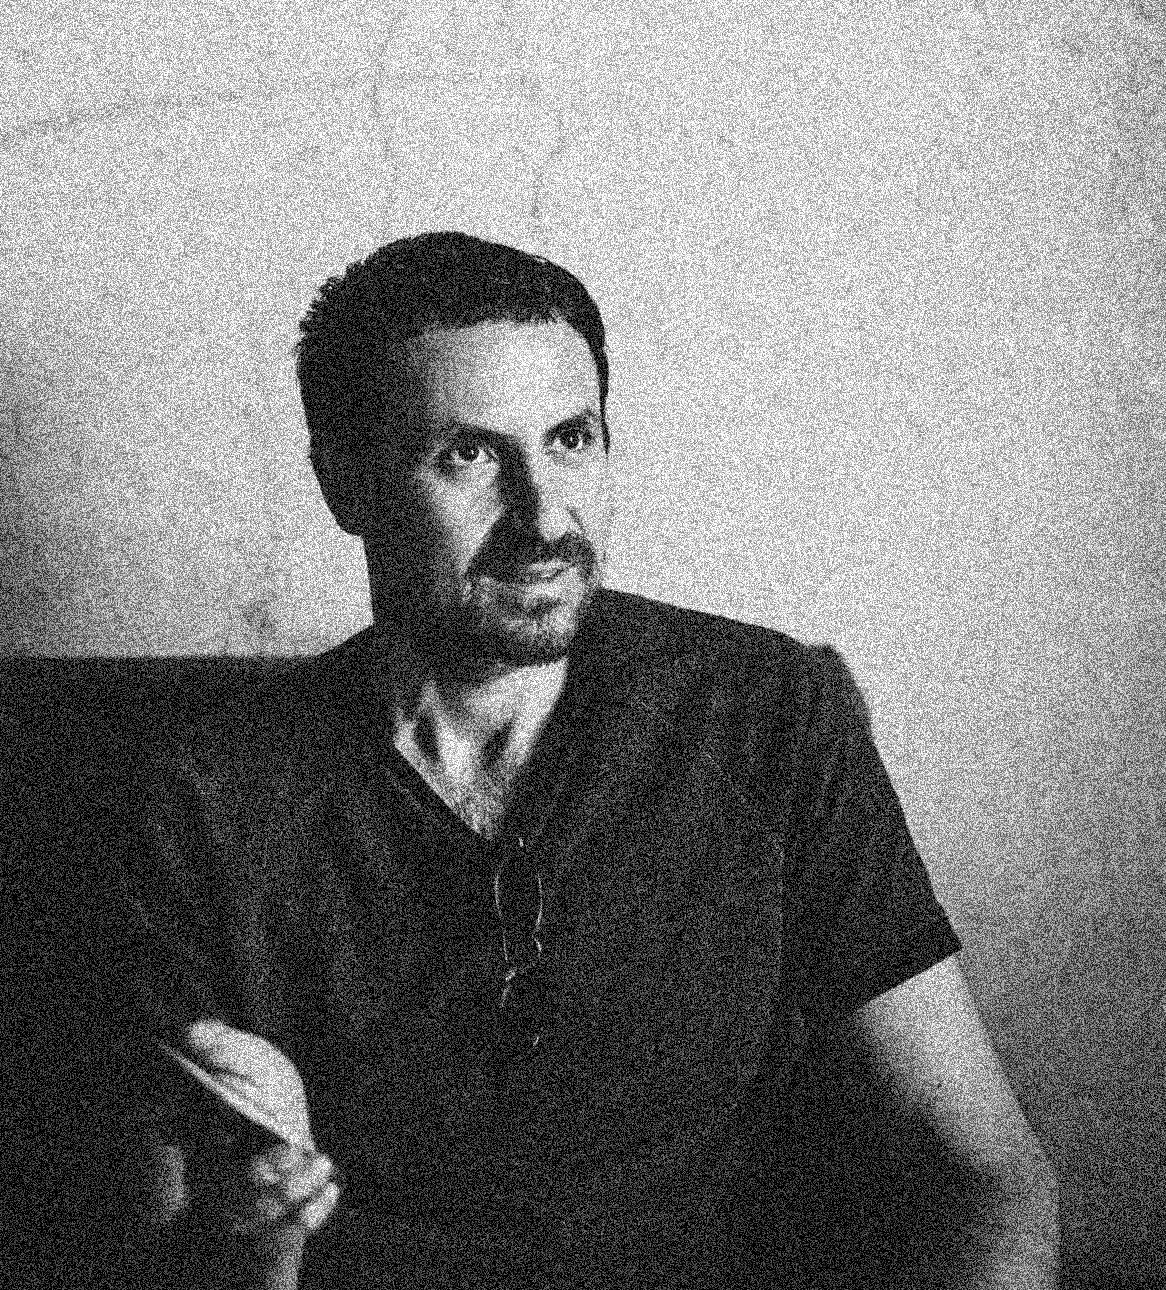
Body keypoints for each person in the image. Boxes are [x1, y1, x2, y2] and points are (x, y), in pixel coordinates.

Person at [87, 232, 1059, 1289]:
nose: (545, 516)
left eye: (570, 439)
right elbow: (157, 1250)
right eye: (468, 456)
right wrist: (258, 1241)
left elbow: (981, 1173)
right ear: (345, 485)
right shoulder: (209, 799)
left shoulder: (767, 715)